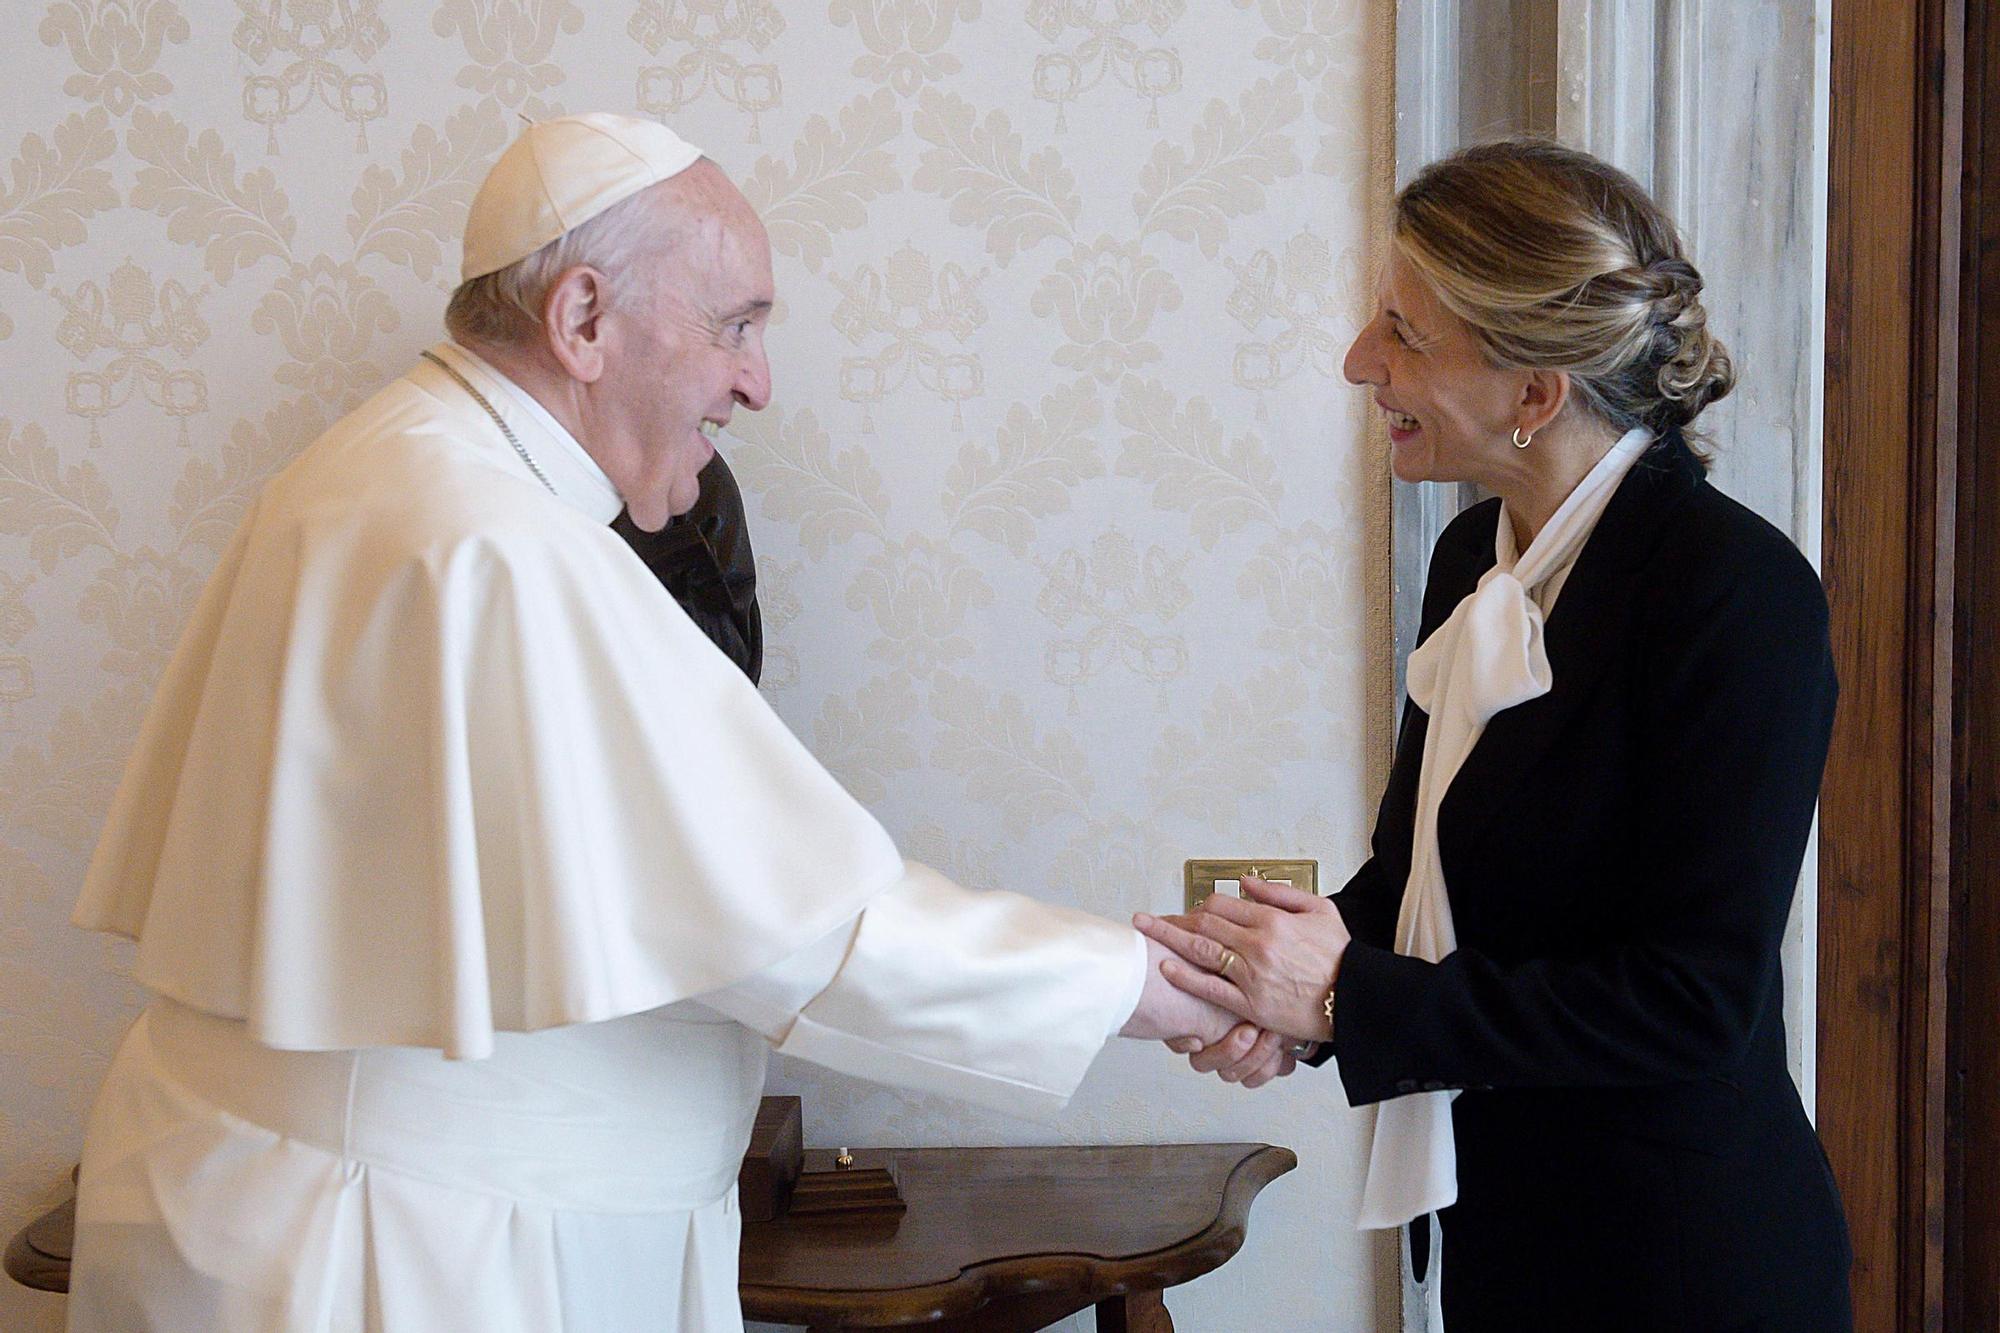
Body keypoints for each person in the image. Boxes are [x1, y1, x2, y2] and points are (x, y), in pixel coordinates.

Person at [63, 113, 1248, 1333]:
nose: (757, 380)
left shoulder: (377, 471)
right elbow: (804, 931)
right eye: (733, 326)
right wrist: (1148, 983)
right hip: (413, 1250)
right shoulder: (498, 543)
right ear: (581, 321)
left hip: (311, 1204)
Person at [1138, 138, 1853, 1331]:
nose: (1358, 362)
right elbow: (1420, 886)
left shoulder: (1734, 593)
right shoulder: (1477, 556)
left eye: (1403, 333)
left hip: (1677, 1264)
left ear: (1534, 396)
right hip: (1507, 1239)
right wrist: (1268, 983)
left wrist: (1344, 1003)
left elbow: (1692, 998)